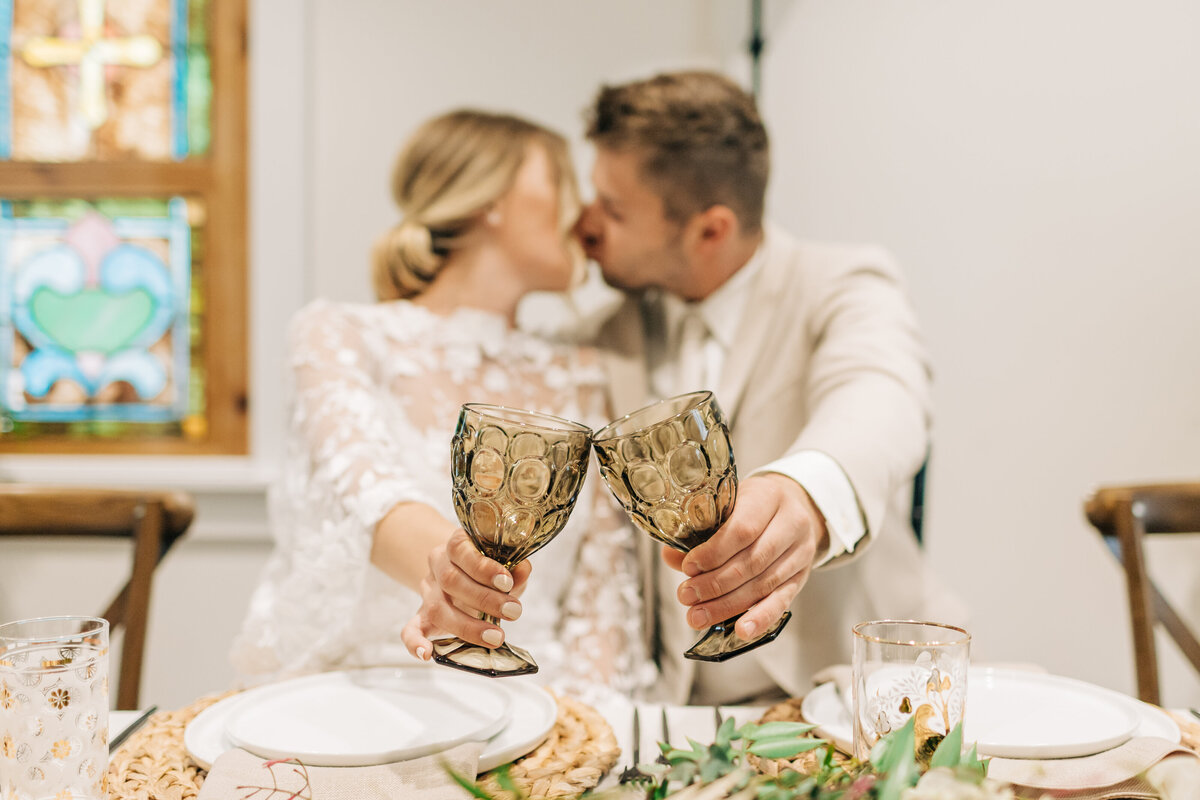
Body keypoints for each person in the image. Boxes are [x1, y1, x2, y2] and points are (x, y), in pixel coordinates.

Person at [574, 70, 965, 704]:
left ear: (711, 230)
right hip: (675, 714)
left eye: (613, 209)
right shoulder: (600, 333)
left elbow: (883, 393)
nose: (585, 225)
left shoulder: (841, 283)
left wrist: (806, 494)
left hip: (863, 691)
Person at [231, 110, 647, 694]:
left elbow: (601, 597)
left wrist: (589, 745)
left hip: (539, 711)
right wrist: (456, 574)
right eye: (558, 182)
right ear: (491, 198)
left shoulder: (581, 373)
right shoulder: (339, 335)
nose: (579, 213)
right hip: (364, 696)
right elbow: (366, 498)